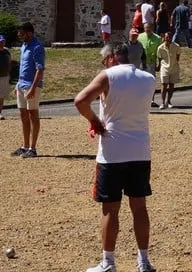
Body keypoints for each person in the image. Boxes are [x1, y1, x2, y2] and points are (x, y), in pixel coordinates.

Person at [74, 42, 158, 272]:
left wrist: (95, 120)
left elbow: (80, 101)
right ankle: (144, 261)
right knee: (139, 207)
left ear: (111, 57)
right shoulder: (149, 79)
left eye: (105, 60)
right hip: (140, 150)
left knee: (110, 209)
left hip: (112, 152)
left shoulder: (108, 76)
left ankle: (108, 262)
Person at [12, 22, 45, 158]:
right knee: (23, 115)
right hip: (21, 85)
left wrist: (33, 88)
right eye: (19, 33)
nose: (19, 35)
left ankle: (33, 148)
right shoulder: (24, 46)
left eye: (22, 33)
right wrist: (17, 84)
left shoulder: (37, 47)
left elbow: (40, 69)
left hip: (32, 86)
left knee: (33, 115)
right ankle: (25, 146)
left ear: (29, 33)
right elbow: (23, 67)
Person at [156, 32, 180, 109]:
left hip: (174, 68)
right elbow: (159, 58)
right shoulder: (160, 48)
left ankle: (169, 101)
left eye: (170, 37)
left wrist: (174, 63)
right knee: (164, 85)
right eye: (167, 37)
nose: (168, 39)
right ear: (164, 38)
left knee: (171, 85)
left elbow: (178, 57)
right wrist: (159, 66)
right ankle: (163, 103)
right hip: (164, 68)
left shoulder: (176, 46)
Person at [137, 23, 163, 89]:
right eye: (146, 28)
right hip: (141, 63)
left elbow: (160, 53)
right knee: (141, 81)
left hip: (151, 64)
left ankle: (151, 95)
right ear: (144, 28)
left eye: (149, 28)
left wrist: (159, 65)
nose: (147, 29)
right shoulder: (139, 37)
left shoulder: (158, 38)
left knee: (151, 81)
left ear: (152, 28)